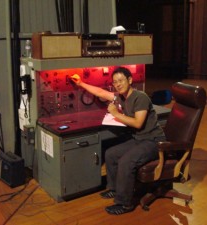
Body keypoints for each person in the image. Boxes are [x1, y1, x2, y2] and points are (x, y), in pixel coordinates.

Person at [70, 67, 165, 215]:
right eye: (115, 82)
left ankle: (125, 203)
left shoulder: (140, 97)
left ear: (130, 80)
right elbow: (101, 93)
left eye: (121, 80)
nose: (118, 84)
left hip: (153, 141)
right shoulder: (121, 97)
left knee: (126, 161)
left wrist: (115, 113)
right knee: (111, 154)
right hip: (139, 139)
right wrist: (81, 83)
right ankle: (114, 189)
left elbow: (137, 123)